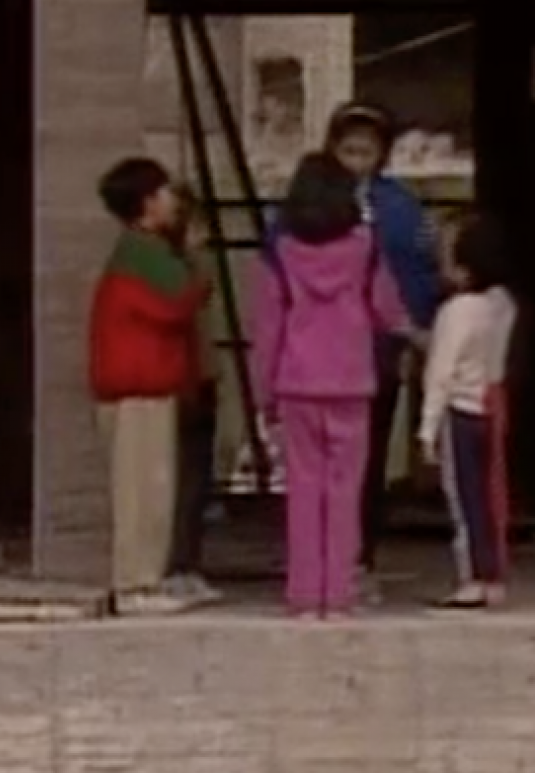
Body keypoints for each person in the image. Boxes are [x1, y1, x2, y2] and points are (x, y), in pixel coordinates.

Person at [247, 151, 411, 618]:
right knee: (345, 490)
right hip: (351, 379)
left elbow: (267, 328)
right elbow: (387, 309)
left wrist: (265, 392)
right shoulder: (366, 248)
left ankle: (303, 595)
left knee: (303, 488)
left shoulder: (278, 255)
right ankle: (338, 593)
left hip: (297, 380)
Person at [320, 101, 444, 601]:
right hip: (322, 351)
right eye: (347, 151)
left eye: (366, 151)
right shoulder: (312, 201)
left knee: (367, 460)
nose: (356, 161)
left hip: (378, 352)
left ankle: (360, 555)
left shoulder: (401, 207)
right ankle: (320, 561)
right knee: (322, 464)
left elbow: (418, 272)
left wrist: (416, 330)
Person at [88, 157, 209, 616]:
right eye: (164, 193)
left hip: (136, 385)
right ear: (147, 202)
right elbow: (178, 301)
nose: (172, 201)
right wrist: (195, 258)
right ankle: (136, 582)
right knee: (144, 489)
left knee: (145, 486)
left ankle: (140, 580)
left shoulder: (136, 249)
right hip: (139, 386)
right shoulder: (146, 252)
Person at [416, 213, 519, 608]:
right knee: (488, 495)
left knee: (463, 499)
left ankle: (472, 577)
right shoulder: (502, 304)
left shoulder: (456, 310)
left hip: (458, 410)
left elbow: (441, 372)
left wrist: (426, 428)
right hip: (489, 405)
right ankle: (493, 575)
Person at [160, 189, 227, 604]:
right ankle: (179, 563)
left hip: (199, 377)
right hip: (187, 381)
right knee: (186, 479)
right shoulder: (183, 272)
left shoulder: (188, 269)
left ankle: (186, 561)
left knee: (195, 480)